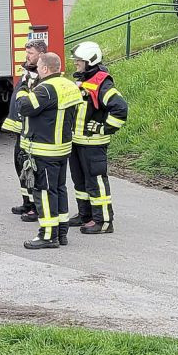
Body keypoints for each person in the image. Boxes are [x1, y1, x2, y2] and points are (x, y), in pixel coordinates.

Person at [15, 52, 82, 249]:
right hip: (62, 148)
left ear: (44, 69)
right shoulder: (69, 85)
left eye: (38, 68)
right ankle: (61, 232)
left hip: (45, 150)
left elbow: (24, 107)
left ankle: (47, 234)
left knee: (43, 191)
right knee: (59, 189)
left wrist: (23, 88)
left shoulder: (46, 89)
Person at [69, 42, 128, 235]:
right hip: (77, 142)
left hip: (93, 144)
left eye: (79, 61)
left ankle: (103, 221)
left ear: (90, 61)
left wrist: (104, 128)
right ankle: (85, 215)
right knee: (80, 182)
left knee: (96, 182)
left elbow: (120, 108)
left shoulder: (102, 82)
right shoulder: (84, 79)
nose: (76, 64)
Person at [1, 39, 48, 220]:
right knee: (21, 166)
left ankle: (35, 208)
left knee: (31, 169)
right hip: (22, 131)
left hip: (32, 132)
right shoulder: (28, 72)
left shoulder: (41, 76)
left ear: (41, 55)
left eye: (30, 53)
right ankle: (27, 202)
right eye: (26, 53)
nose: (26, 57)